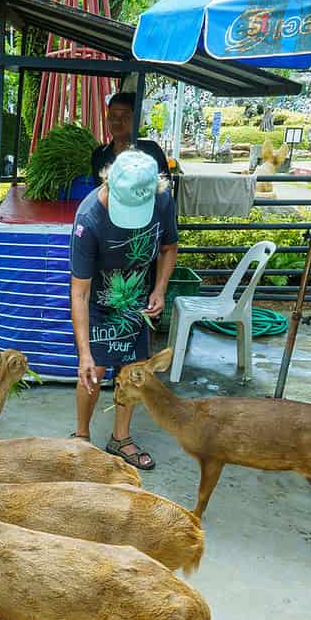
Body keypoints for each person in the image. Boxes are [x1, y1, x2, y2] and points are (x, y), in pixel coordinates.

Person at [70, 148, 179, 470]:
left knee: (134, 371)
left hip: (137, 298)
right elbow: (80, 291)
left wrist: (159, 288)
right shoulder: (88, 219)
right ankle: (80, 435)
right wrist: (84, 354)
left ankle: (120, 437)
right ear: (109, 183)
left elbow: (169, 247)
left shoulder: (161, 199)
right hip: (98, 300)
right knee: (95, 370)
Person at [90, 92, 170, 184]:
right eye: (113, 116)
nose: (117, 121)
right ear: (108, 118)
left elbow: (165, 188)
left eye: (125, 117)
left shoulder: (151, 151)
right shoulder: (99, 155)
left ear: (136, 119)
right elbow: (99, 190)